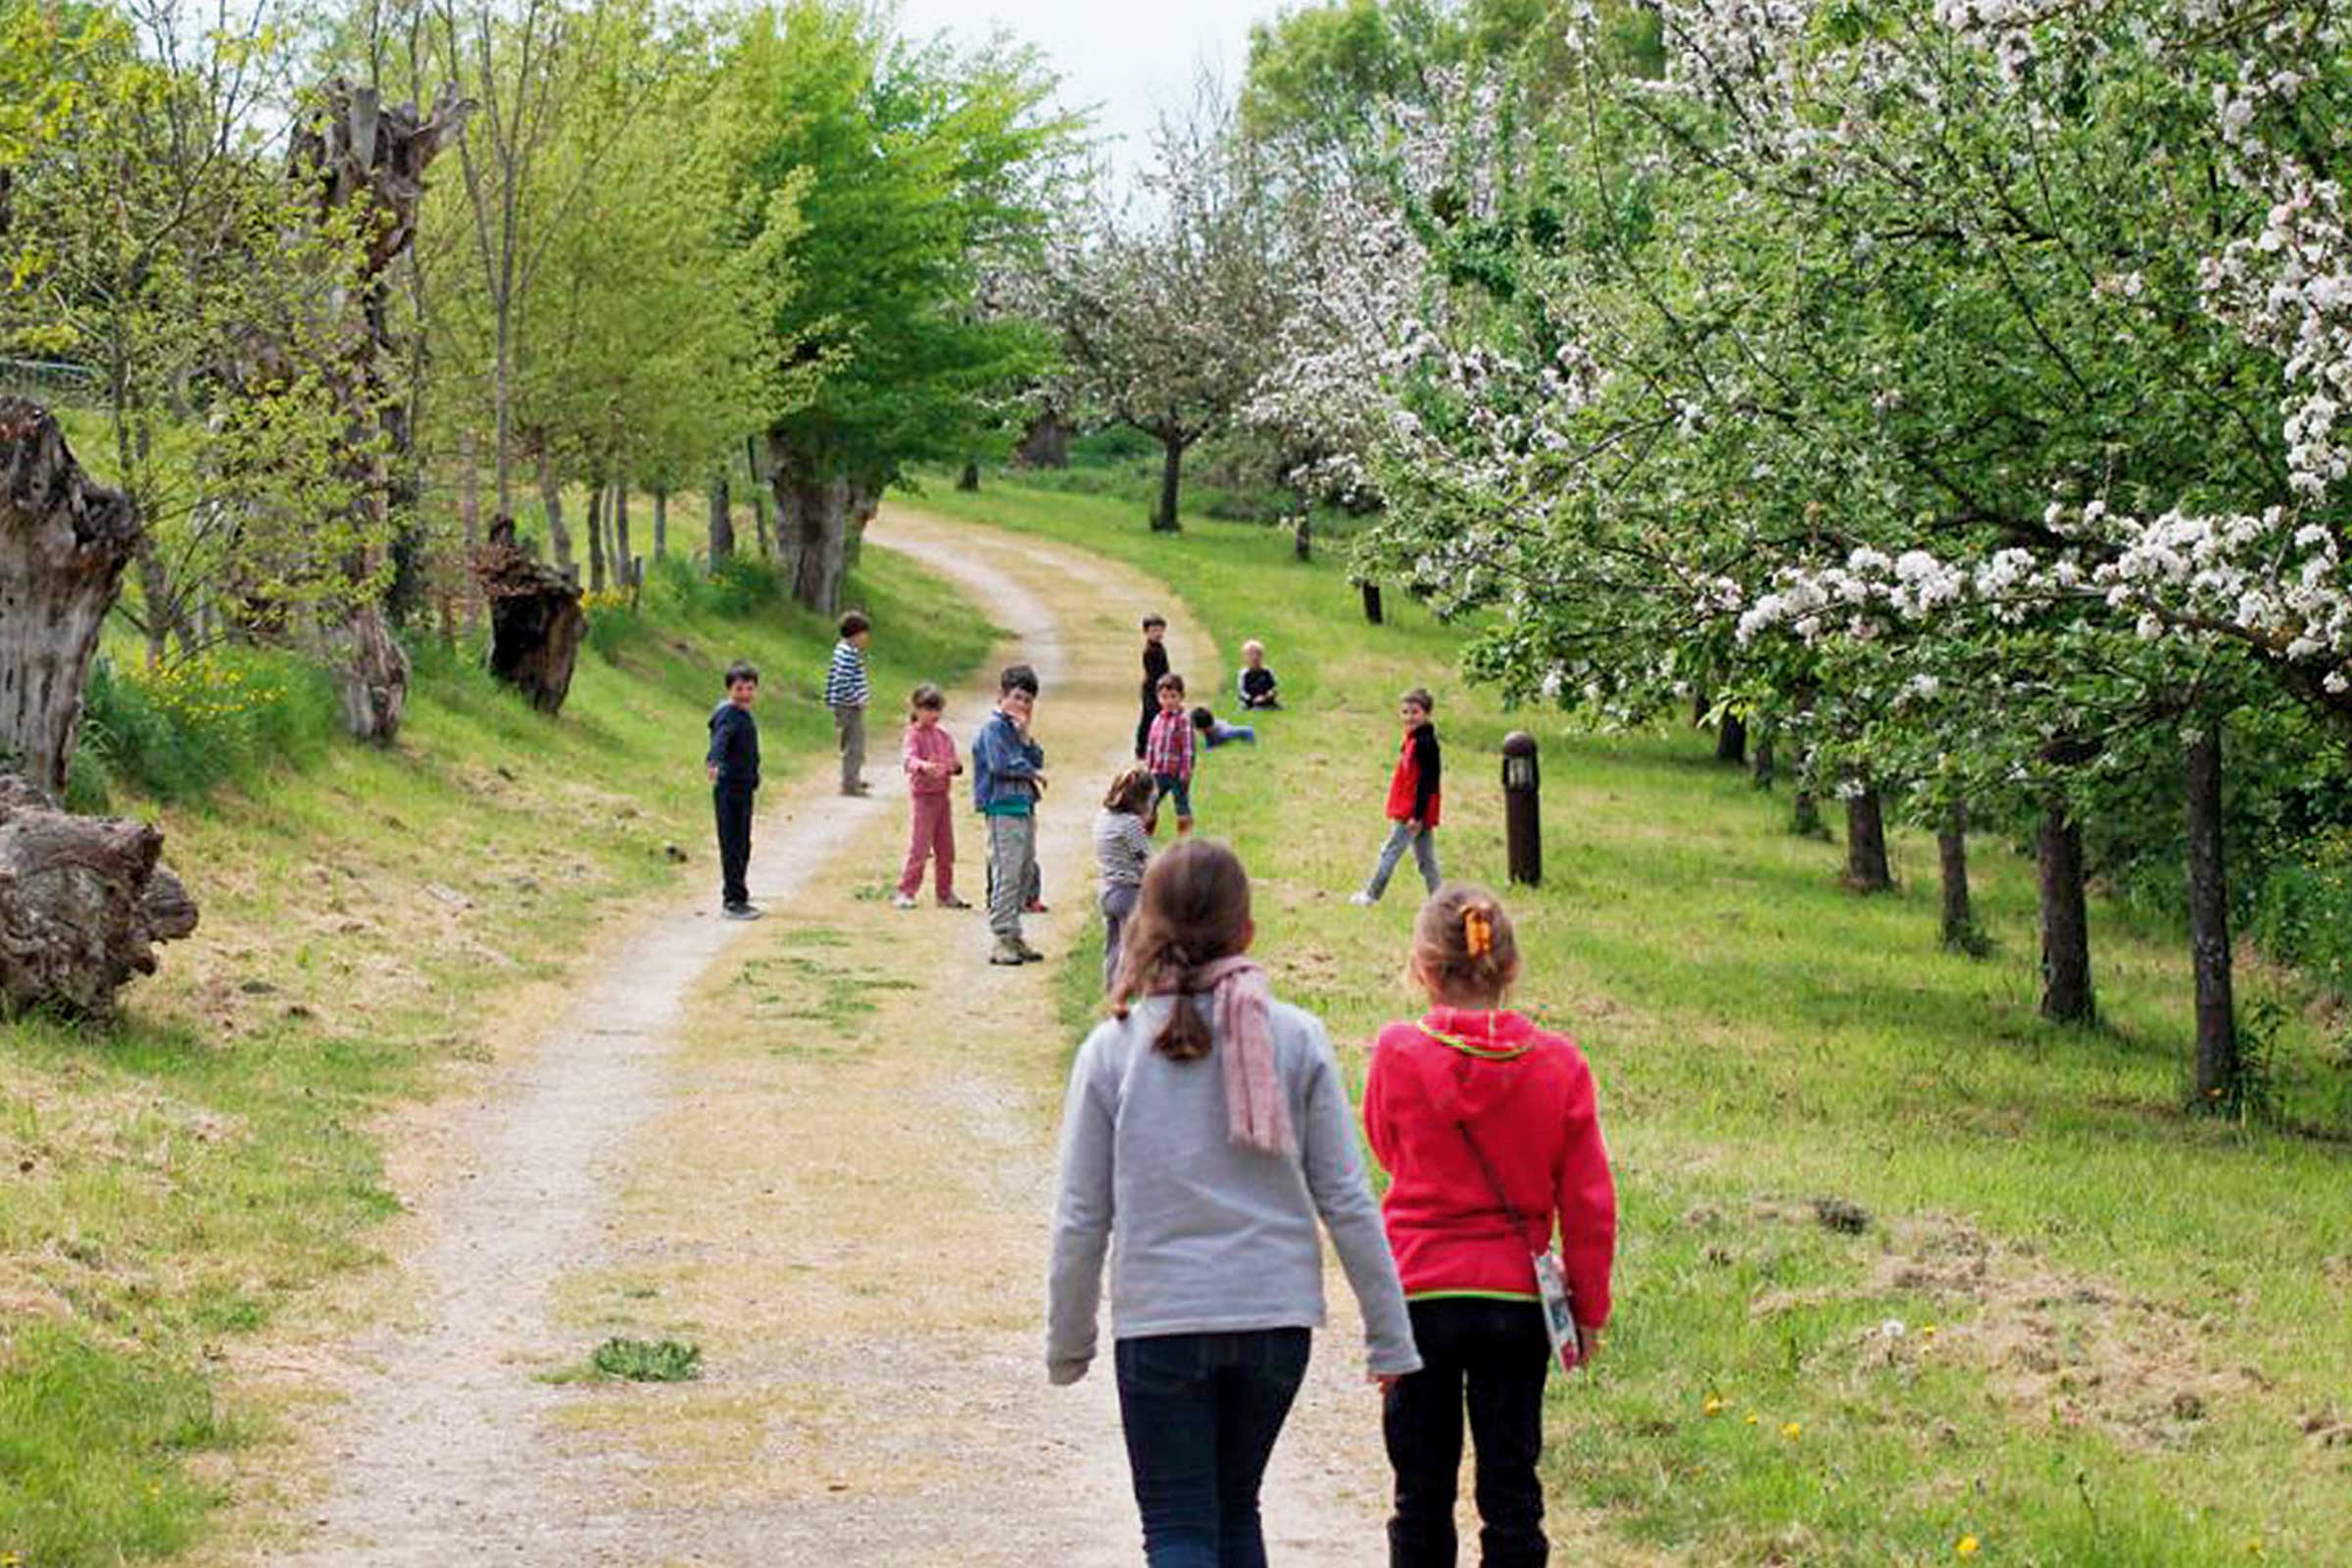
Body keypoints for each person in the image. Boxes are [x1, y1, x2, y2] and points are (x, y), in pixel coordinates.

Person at [1047, 840, 1422, 1567]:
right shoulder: (1298, 1038)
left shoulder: (1113, 1048)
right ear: (1247, 931)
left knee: (1180, 1524)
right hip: (1275, 1323)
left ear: (1143, 927)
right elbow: (1346, 1199)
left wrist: (1069, 1340)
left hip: (1161, 1321)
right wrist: (1389, 1335)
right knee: (1234, 1509)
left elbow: (1080, 1215)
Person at [1363, 886, 1616, 1568]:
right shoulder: (1559, 1062)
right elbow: (1589, 1200)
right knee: (1511, 1490)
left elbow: (1387, 1150)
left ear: (1422, 968)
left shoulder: (1396, 1052)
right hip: (1515, 1300)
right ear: (1509, 967)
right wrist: (1588, 1308)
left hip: (1418, 1293)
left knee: (1419, 1493)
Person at [973, 663, 1048, 966]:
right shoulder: (994, 729)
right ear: (1002, 696)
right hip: (1002, 806)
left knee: (1024, 870)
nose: (1022, 705)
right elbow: (1000, 764)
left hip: (1023, 805)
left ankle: (1015, 933)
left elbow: (1037, 756)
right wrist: (1032, 773)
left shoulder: (1016, 730)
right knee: (1007, 870)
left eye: (1028, 700)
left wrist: (1026, 736)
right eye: (1017, 697)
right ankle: (1001, 937)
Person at [1351, 688, 1443, 906]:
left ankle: (1371, 895)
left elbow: (1427, 781)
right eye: (1405, 712)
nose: (1409, 717)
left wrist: (1417, 815)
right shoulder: (1414, 739)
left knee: (1389, 852)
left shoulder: (1425, 744)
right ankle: (1441, 901)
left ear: (1427, 714)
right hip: (1412, 809)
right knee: (1426, 860)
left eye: (1415, 712)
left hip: (1412, 811)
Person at [895, 683, 967, 910]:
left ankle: (944, 892)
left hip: (942, 797)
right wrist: (924, 766)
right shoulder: (913, 735)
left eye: (936, 710)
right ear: (916, 709)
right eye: (928, 709)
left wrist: (953, 767)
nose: (933, 715)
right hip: (924, 798)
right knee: (920, 847)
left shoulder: (943, 736)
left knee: (946, 849)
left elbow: (954, 762)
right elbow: (908, 759)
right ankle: (906, 890)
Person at [704, 662, 762, 920]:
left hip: (744, 786)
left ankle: (740, 892)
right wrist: (713, 762)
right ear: (730, 689)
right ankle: (733, 899)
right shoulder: (729, 714)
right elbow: (721, 739)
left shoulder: (743, 714)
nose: (745, 694)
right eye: (739, 688)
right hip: (730, 788)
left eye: (749, 688)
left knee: (743, 843)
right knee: (733, 844)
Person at [1094, 765, 1155, 993]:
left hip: (1107, 888)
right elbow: (1146, 859)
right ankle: (1127, 990)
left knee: (1112, 946)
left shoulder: (1104, 817)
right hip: (1128, 892)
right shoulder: (1130, 824)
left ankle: (1110, 990)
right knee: (1132, 946)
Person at [826, 611, 873, 796]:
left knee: (852, 744)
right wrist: (857, 699)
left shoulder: (844, 649)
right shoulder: (848, 654)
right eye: (864, 634)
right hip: (849, 706)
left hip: (844, 704)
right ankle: (849, 784)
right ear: (856, 634)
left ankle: (853, 778)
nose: (866, 639)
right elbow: (842, 681)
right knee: (855, 746)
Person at [1144, 673, 1197, 837]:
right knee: (1150, 802)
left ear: (1181, 697)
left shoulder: (1183, 721)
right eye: (1164, 697)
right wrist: (1150, 767)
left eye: (1173, 696)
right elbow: (1152, 745)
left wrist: (1186, 772)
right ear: (1159, 698)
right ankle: (1147, 832)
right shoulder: (1157, 719)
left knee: (1181, 804)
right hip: (1158, 771)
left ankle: (1185, 835)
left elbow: (1188, 748)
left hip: (1177, 773)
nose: (1169, 701)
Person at [1137, 613, 1171, 760]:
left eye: (1160, 630)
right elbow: (1154, 673)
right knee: (1150, 718)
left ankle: (1154, 746)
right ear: (1146, 632)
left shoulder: (1159, 647)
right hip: (1151, 689)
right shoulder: (1150, 651)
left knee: (1154, 717)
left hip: (1160, 687)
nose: (1157, 634)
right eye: (1153, 631)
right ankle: (1142, 747)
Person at [1237, 641, 1280, 710]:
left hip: (1268, 701)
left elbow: (1274, 687)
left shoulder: (1267, 672)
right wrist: (1252, 699)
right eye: (1251, 655)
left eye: (1258, 654)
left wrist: (1269, 695)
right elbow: (1242, 691)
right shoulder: (1244, 674)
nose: (1255, 657)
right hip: (1250, 704)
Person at [1190, 706, 1256, 750]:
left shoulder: (1225, 733)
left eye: (1197, 728)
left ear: (1205, 728)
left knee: (1219, 739)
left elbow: (1248, 731)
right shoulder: (1207, 730)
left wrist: (1250, 745)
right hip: (1213, 730)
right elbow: (1209, 740)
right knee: (1212, 742)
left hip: (1225, 728)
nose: (1196, 730)